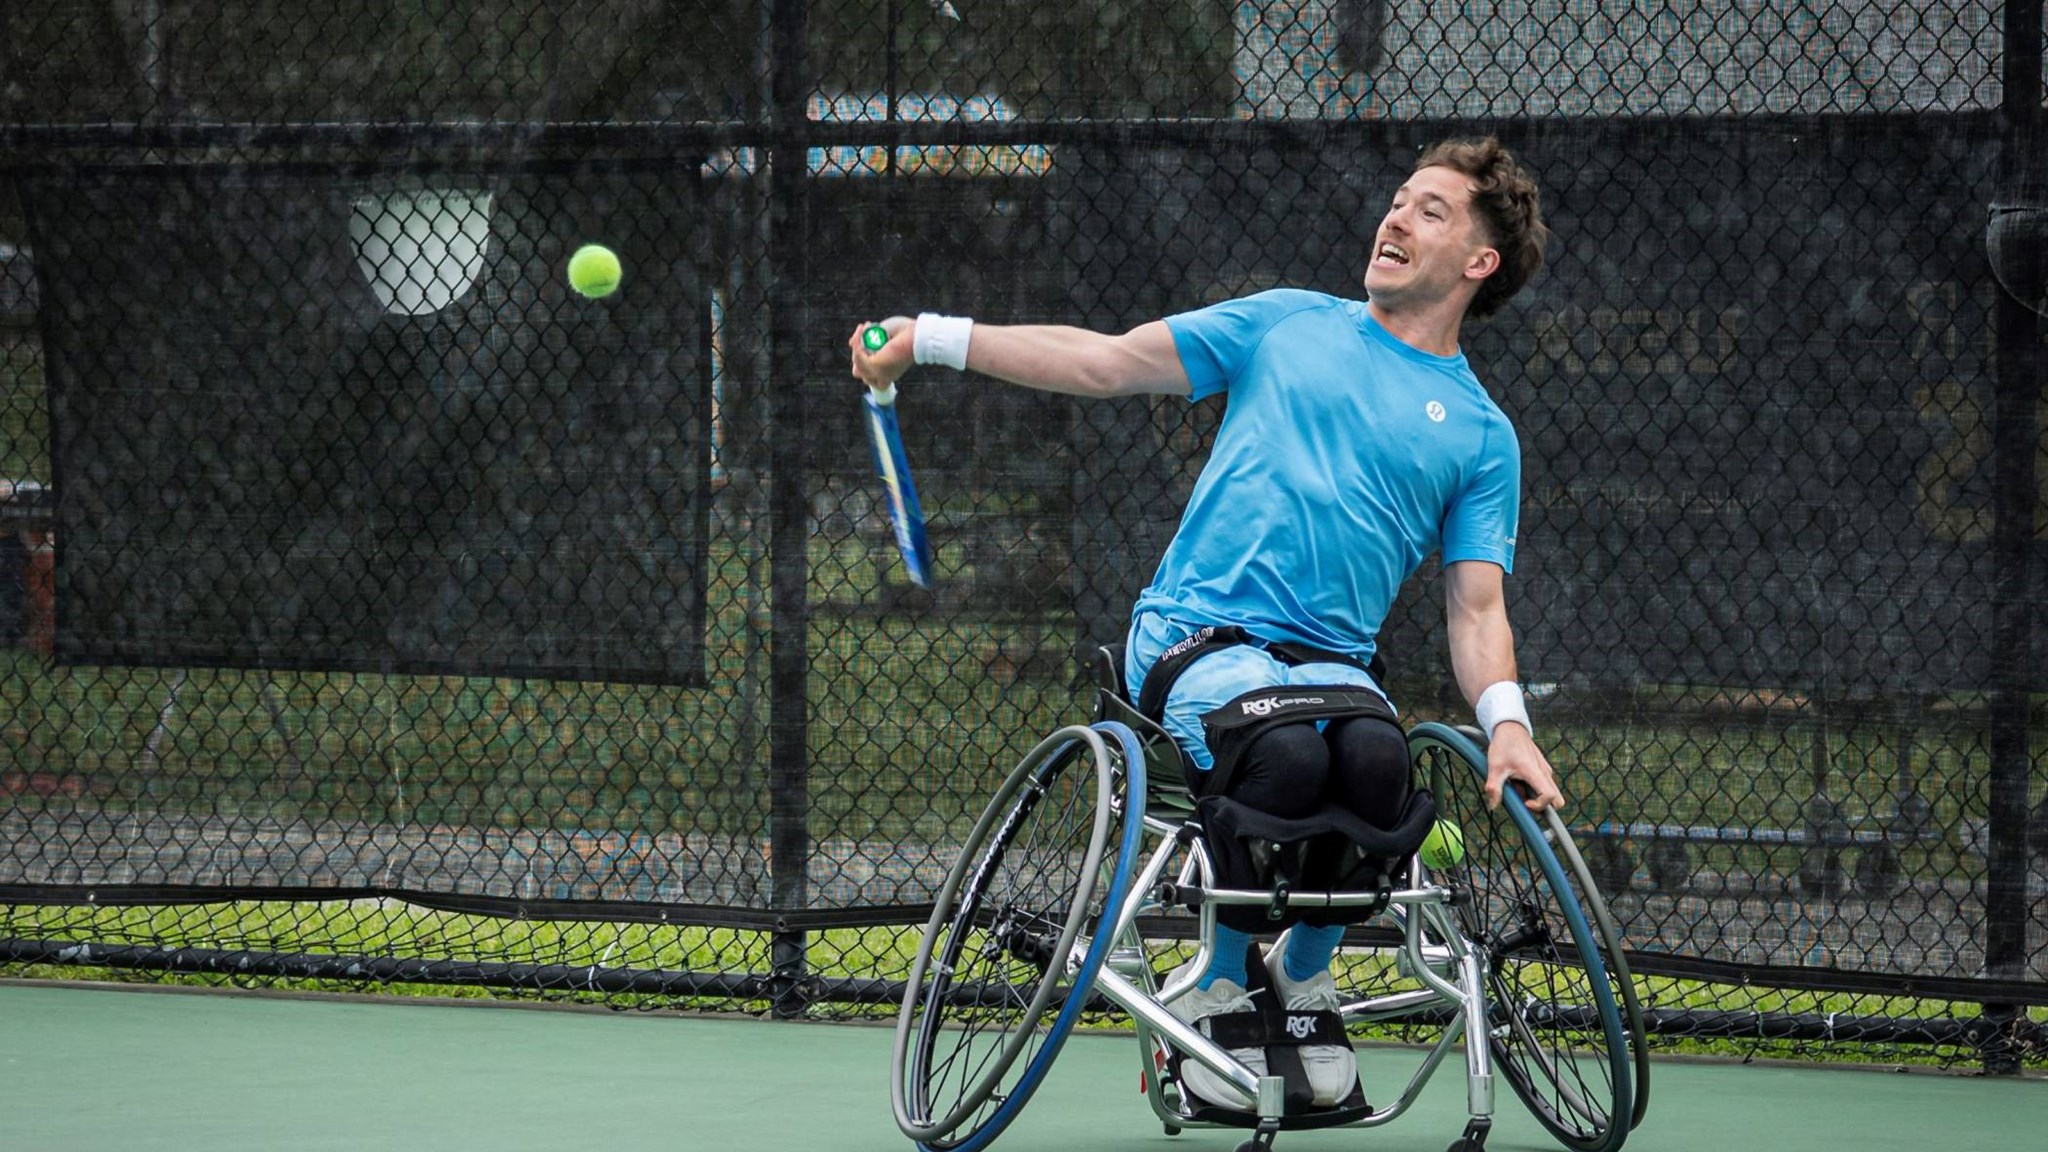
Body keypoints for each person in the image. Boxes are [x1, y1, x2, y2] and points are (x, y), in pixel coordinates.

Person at [850, 136, 1565, 1112]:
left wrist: (1509, 726)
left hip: (1332, 664)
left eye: (1429, 212)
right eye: (1397, 200)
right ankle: (1222, 983)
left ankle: (1300, 984)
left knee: (1375, 766)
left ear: (1478, 262)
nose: (1394, 218)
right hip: (1195, 638)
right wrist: (930, 335)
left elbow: (1474, 606)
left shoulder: (1481, 434)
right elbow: (1105, 363)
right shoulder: (1281, 325)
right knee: (1282, 761)